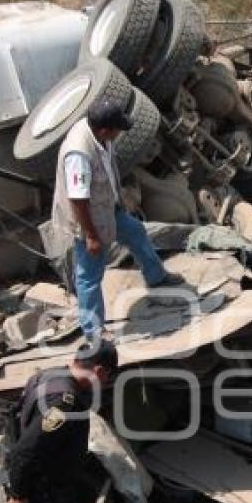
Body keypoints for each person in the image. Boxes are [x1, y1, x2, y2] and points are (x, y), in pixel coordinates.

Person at [50, 98, 182, 339]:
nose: (119, 133)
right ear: (104, 130)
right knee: (89, 276)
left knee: (136, 232)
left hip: (107, 209)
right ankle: (94, 332)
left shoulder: (98, 133)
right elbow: (77, 199)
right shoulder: (78, 153)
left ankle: (156, 276)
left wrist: (117, 204)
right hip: (87, 220)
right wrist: (90, 236)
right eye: (117, 129)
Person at [5, 340, 118, 503]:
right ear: (100, 372)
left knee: (84, 497)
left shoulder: (49, 375)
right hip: (42, 481)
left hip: (54, 470)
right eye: (107, 377)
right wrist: (19, 494)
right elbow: (26, 452)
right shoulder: (64, 403)